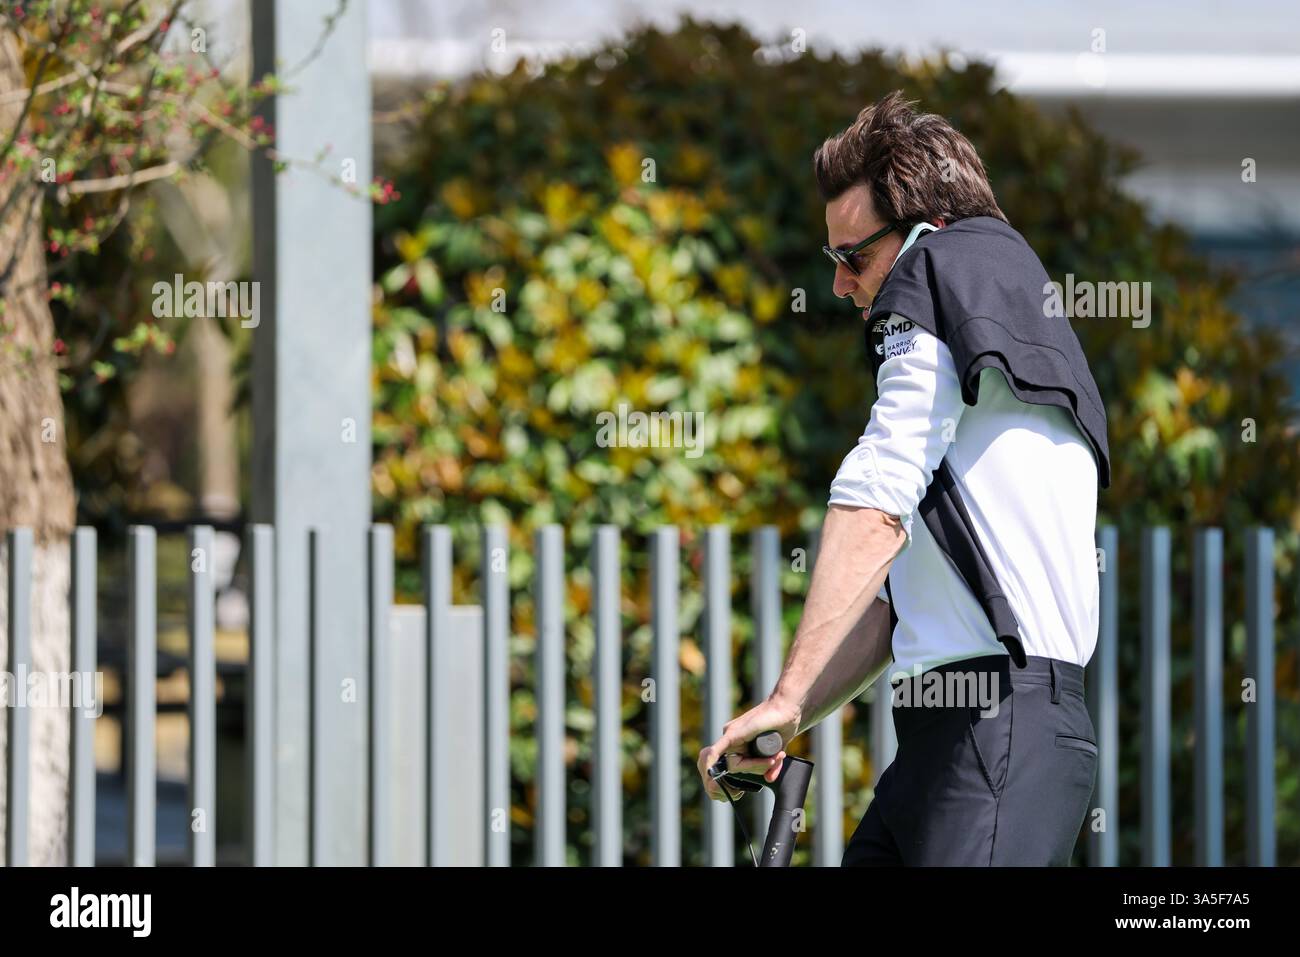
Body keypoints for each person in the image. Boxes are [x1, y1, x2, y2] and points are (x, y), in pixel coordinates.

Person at [696, 91, 1110, 866]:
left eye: (855, 257)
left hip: (996, 735)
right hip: (956, 742)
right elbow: (900, 601)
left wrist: (786, 694)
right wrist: (793, 712)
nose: (843, 285)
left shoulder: (938, 267)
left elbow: (878, 491)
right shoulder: (1002, 311)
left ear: (928, 231)